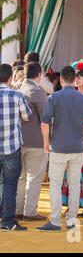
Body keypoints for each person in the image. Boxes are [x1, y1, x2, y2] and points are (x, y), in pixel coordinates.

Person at [37, 66, 83, 231]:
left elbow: (44, 122)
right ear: (75, 79)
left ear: (61, 79)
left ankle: (55, 221)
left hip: (58, 147)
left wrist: (46, 142)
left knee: (55, 184)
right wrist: (79, 128)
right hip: (77, 148)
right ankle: (71, 221)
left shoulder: (54, 97)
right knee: (74, 184)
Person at [60, 60, 83, 218]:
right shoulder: (72, 94)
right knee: (71, 172)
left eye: (79, 78)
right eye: (75, 78)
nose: (76, 81)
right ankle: (72, 204)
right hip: (72, 138)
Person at [0, 64, 32, 231]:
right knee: (10, 185)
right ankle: (7, 221)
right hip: (11, 147)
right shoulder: (16, 95)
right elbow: (27, 116)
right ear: (10, 78)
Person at [16, 62, 48, 221]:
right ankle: (30, 212)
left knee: (21, 178)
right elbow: (46, 118)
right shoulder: (37, 91)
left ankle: (18, 210)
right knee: (34, 178)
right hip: (36, 141)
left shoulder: (18, 89)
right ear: (39, 75)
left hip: (18, 140)